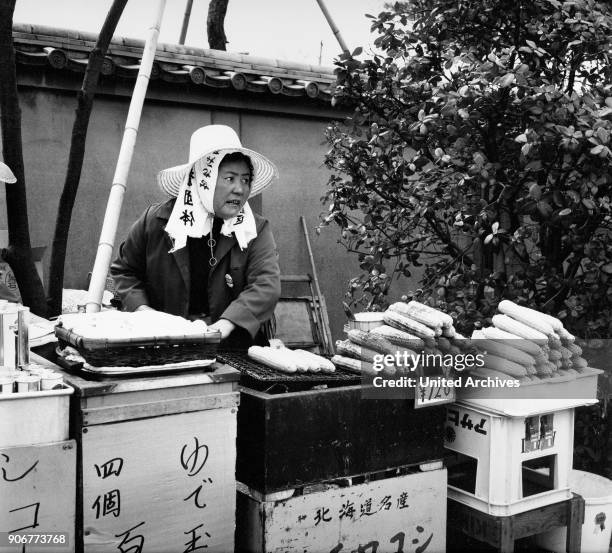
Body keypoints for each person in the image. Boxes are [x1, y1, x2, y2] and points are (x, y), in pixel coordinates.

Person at [110, 125, 281, 349]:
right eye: (229, 178)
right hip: (165, 345)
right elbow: (125, 271)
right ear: (202, 179)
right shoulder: (157, 221)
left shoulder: (254, 229)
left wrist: (225, 325)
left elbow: (266, 284)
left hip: (233, 347)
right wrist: (143, 311)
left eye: (246, 180)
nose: (240, 189)